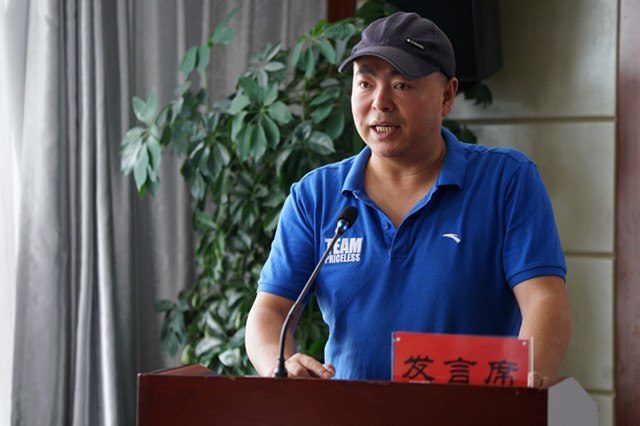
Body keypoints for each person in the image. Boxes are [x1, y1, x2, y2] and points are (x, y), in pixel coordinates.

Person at [245, 11, 571, 387]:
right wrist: (281, 364)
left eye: (401, 85)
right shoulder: (315, 195)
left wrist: (522, 390)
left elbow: (544, 300)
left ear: (447, 95)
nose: (380, 102)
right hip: (351, 411)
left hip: (473, 409)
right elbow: (270, 309)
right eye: (365, 83)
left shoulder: (506, 180)